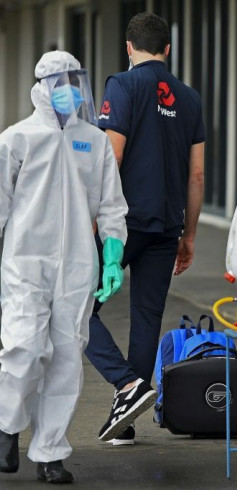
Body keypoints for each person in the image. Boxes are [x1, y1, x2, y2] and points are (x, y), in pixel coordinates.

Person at [0, 51, 128, 483]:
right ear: (42, 87)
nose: (70, 92)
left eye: (76, 83)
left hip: (76, 266)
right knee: (22, 348)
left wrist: (112, 256)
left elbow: (112, 206)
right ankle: (6, 428)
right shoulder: (16, 139)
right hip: (25, 262)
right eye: (62, 83)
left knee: (67, 358)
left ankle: (49, 452)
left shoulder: (93, 141)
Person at [84, 12, 206, 445]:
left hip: (121, 222)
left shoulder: (122, 84)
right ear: (168, 50)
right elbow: (197, 176)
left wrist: (95, 219)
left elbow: (110, 158)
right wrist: (188, 236)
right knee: (146, 319)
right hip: (166, 227)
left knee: (77, 308)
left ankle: (125, 385)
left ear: (129, 47)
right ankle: (126, 422)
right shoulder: (190, 98)